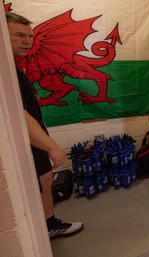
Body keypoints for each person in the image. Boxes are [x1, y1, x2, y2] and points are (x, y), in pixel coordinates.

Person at [6, 12, 83, 240]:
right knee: (44, 179)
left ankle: (45, 224)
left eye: (29, 35)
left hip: (32, 136)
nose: (27, 41)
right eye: (19, 35)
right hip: (29, 139)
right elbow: (19, 113)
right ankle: (47, 225)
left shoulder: (13, 69)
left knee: (44, 179)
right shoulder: (8, 73)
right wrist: (51, 146)